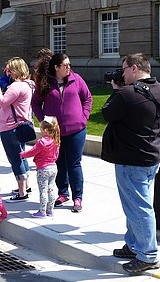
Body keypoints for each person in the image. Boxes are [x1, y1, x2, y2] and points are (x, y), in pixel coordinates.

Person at [102, 53, 160, 274]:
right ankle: (133, 245)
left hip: (131, 160)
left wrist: (116, 90)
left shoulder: (126, 93)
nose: (121, 73)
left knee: (139, 208)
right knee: (138, 204)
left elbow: (107, 113)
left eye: (123, 69)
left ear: (134, 68)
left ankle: (148, 255)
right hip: (150, 156)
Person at [32, 52, 92, 213]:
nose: (69, 68)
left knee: (74, 163)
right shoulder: (45, 82)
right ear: (56, 67)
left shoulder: (76, 79)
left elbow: (87, 98)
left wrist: (84, 117)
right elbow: (35, 103)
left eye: (69, 65)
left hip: (76, 130)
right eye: (65, 65)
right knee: (58, 163)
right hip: (54, 132)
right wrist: (43, 120)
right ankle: (62, 193)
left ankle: (77, 197)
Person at [0, 57, 35, 202]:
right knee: (22, 156)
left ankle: (22, 192)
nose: (8, 73)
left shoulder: (16, 86)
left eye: (10, 70)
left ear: (15, 71)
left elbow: (3, 102)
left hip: (10, 127)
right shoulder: (29, 85)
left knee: (15, 159)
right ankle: (26, 185)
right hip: (21, 126)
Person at [20, 115, 60, 218]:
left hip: (43, 169)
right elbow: (56, 155)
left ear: (46, 130)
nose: (40, 131)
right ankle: (50, 210)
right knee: (51, 189)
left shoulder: (41, 142)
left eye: (41, 128)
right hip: (53, 168)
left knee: (43, 191)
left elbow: (32, 152)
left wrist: (23, 154)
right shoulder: (55, 141)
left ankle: (42, 212)